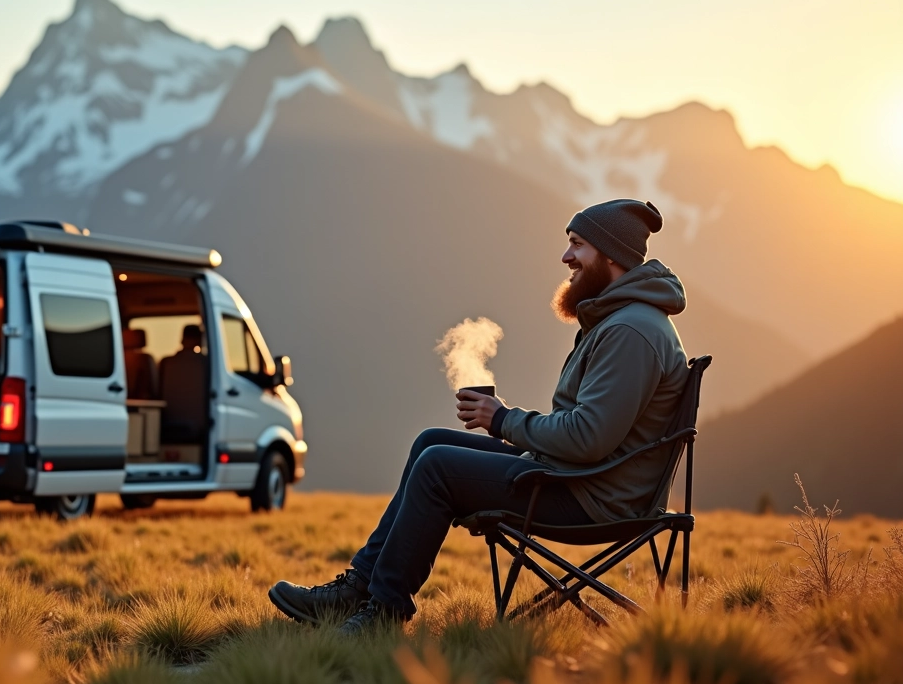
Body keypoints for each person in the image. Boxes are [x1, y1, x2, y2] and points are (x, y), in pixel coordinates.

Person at [269, 198, 689, 634]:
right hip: (584, 478)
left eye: (577, 245)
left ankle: (385, 611)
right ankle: (358, 587)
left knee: (438, 468)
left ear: (611, 254)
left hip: (592, 497)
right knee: (431, 442)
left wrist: (504, 420)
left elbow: (588, 437)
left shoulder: (629, 331)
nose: (566, 257)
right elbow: (591, 432)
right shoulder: (623, 320)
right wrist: (506, 422)